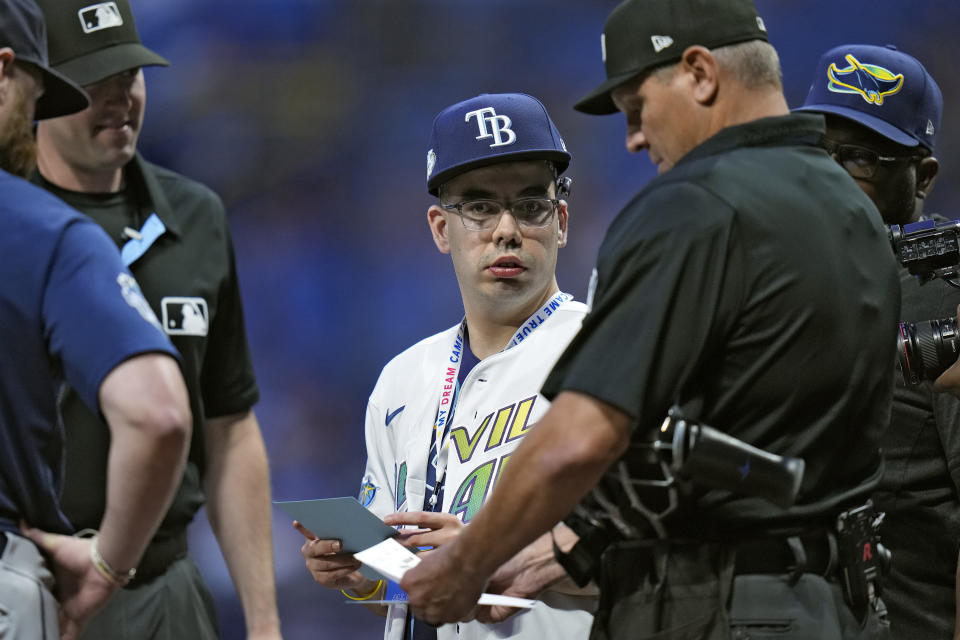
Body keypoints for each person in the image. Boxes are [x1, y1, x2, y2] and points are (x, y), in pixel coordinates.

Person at [399, 0, 901, 638]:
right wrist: (557, 550)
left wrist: (467, 562)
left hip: (717, 605)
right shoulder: (851, 208)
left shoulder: (696, 206)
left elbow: (583, 437)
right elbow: (740, 429)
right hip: (833, 602)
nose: (634, 137)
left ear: (698, 73)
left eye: (637, 107)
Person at [298, 92, 596, 640]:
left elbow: (663, 546)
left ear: (561, 222)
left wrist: (483, 553)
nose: (506, 229)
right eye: (480, 208)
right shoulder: (402, 380)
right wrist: (358, 575)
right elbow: (404, 590)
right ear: (441, 228)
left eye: (530, 206)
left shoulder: (607, 348)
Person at [30, 1, 282, 638]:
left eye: (129, 79)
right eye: (93, 86)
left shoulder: (194, 218)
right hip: (32, 582)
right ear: (36, 92)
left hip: (163, 589)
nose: (119, 101)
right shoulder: (12, 224)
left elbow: (229, 425)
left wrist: (263, 620)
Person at [0, 1, 192, 639]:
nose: (33, 121)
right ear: (4, 73)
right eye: (35, 96)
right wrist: (109, 564)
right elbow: (157, 415)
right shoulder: (44, 229)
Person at [796, 44, 956, 640]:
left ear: (923, 178)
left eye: (860, 159)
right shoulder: (781, 287)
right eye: (818, 153)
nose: (832, 178)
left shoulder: (947, 294)